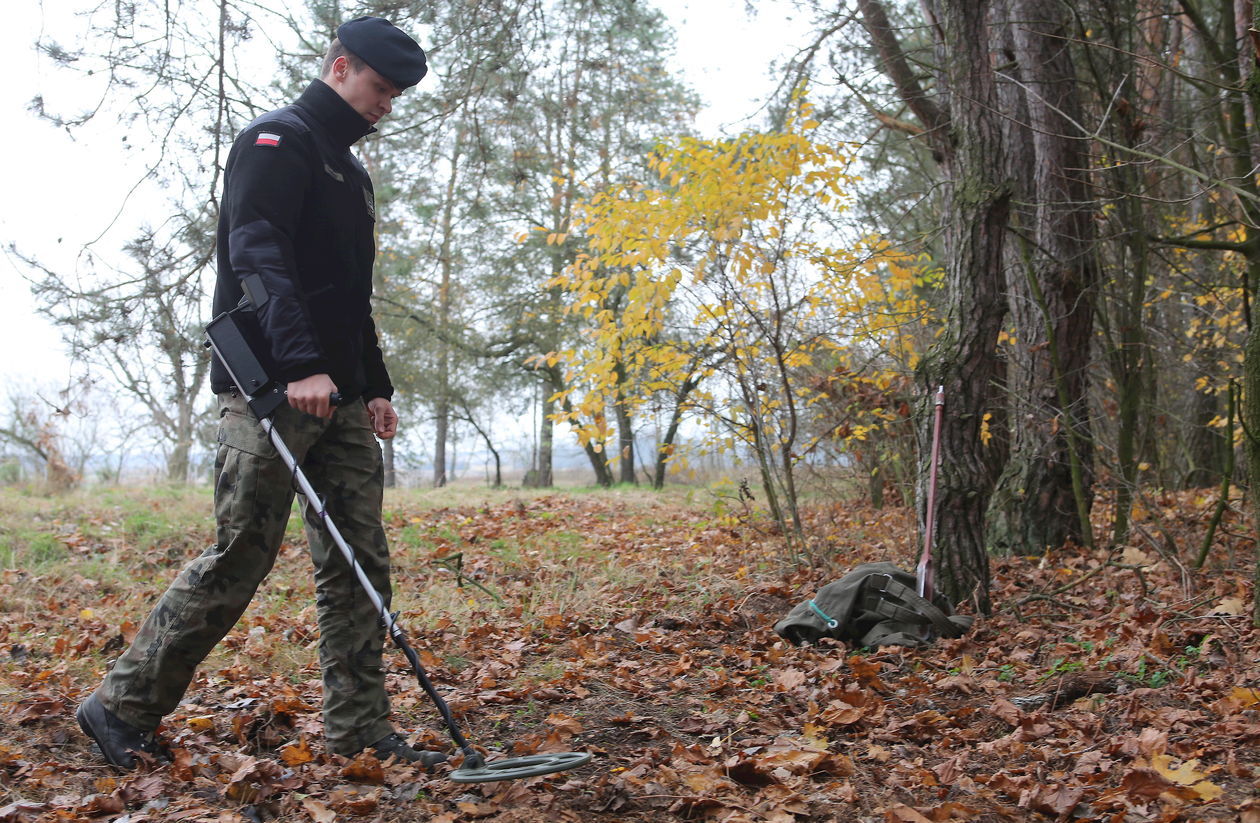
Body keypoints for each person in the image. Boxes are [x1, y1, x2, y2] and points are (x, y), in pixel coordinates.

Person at [76, 16, 446, 770]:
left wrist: (373, 385)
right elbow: (257, 252)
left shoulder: (352, 172)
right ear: (340, 68)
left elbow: (351, 295)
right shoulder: (275, 142)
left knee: (359, 564)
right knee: (240, 553)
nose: (386, 105)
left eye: (396, 95)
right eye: (380, 88)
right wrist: (301, 365)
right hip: (272, 393)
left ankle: (359, 728)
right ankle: (118, 705)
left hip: (337, 398)